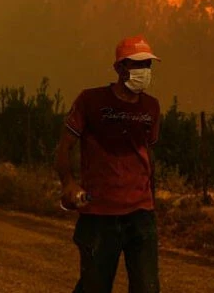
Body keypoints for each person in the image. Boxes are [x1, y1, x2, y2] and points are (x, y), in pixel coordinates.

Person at [56, 35, 162, 293]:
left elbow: (148, 152)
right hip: (99, 214)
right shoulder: (91, 101)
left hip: (140, 214)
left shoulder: (151, 107)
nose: (143, 71)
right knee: (95, 286)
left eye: (147, 65)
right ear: (119, 68)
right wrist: (69, 183)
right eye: (136, 65)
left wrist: (151, 196)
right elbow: (64, 146)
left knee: (148, 288)